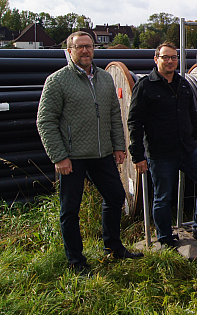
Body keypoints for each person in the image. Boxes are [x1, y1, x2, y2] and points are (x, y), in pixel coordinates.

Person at [37, 31, 143, 272]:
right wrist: (59, 156)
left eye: (89, 46)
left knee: (116, 197)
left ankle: (113, 247)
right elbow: (45, 121)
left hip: (102, 154)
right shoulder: (57, 81)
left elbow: (114, 116)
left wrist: (118, 146)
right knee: (70, 209)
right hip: (72, 157)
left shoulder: (105, 79)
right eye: (79, 47)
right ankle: (76, 261)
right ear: (70, 51)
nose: (85, 51)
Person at [127, 42, 197, 247]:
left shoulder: (184, 84)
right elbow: (134, 122)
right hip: (161, 153)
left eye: (173, 57)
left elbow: (192, 116)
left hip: (188, 149)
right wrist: (138, 156)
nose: (170, 61)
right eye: (165, 57)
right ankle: (164, 237)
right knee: (163, 197)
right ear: (156, 59)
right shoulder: (145, 86)